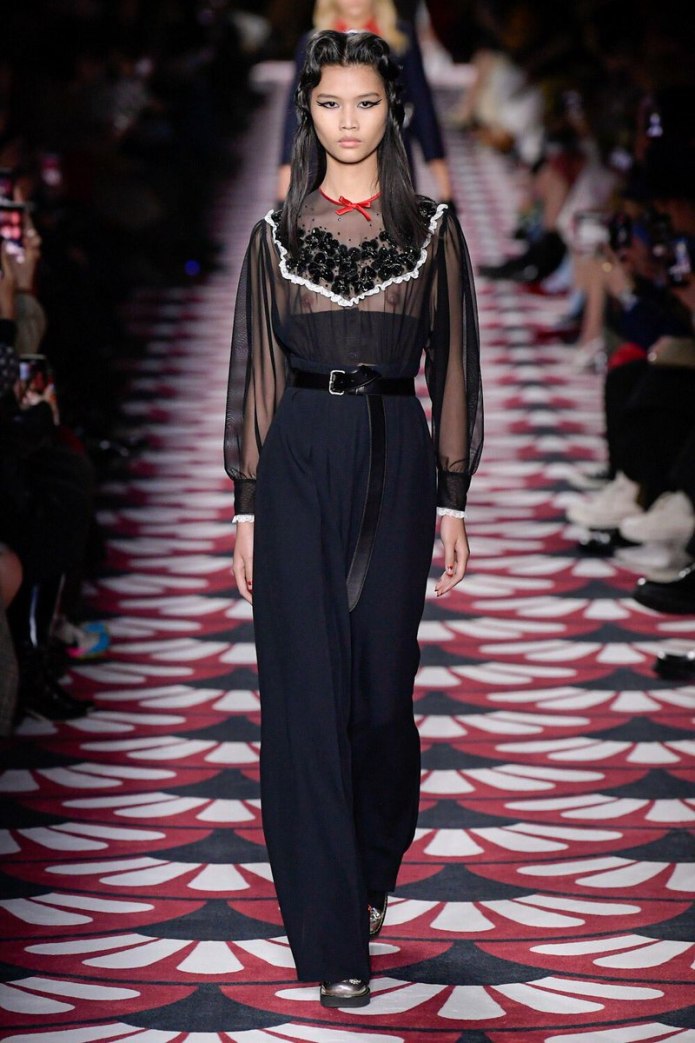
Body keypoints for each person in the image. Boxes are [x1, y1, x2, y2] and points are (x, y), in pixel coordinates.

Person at [224, 29, 482, 1008]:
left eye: (364, 103)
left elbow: (453, 362)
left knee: (378, 698)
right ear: (307, 110)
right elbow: (254, 371)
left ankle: (371, 870)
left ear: (391, 110)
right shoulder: (274, 235)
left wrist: (453, 494)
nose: (346, 121)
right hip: (296, 459)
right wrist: (245, 505)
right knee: (302, 700)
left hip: (396, 459)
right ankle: (332, 937)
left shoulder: (431, 230)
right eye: (329, 102)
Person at [276, 0, 453, 204]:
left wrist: (443, 181)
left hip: (391, 152)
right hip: (325, 157)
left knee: (392, 218)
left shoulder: (400, 37)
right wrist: (285, 177)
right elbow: (297, 109)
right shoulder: (312, 43)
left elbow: (421, 102)